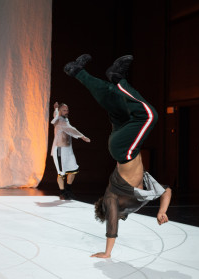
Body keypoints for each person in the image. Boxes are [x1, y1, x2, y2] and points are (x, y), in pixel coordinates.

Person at [64, 54, 172, 258]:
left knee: (149, 116)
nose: (120, 217)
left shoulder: (112, 199)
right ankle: (77, 71)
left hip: (124, 150)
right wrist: (162, 211)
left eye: (114, 214)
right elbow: (166, 191)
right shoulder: (140, 198)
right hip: (123, 144)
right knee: (114, 100)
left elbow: (111, 225)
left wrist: (107, 253)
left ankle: (117, 77)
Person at [51, 102, 90, 200]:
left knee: (73, 169)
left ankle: (68, 189)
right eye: (64, 110)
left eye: (67, 110)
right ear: (60, 111)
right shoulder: (59, 120)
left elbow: (57, 115)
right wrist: (82, 136)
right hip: (60, 150)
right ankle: (63, 192)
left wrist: (56, 109)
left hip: (68, 150)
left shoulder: (63, 118)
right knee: (61, 173)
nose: (66, 111)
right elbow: (71, 129)